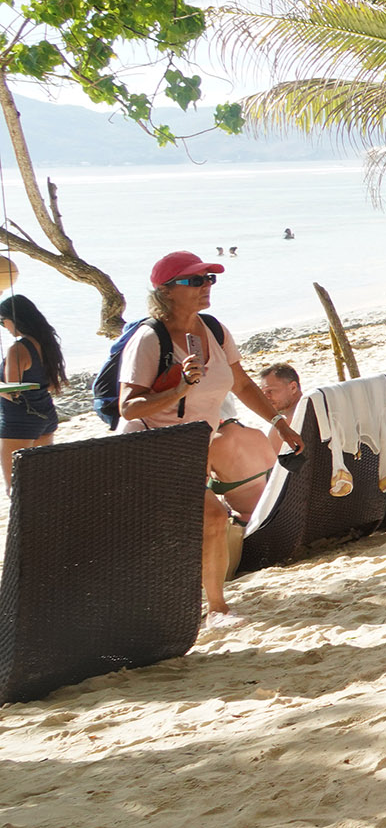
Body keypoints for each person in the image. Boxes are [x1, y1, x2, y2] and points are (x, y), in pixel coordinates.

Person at [120, 253, 298, 621]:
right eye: (194, 281)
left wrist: (279, 423)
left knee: (210, 520)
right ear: (166, 291)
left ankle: (210, 606)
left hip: (193, 446)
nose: (205, 286)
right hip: (150, 445)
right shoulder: (148, 339)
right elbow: (128, 406)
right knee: (213, 516)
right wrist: (179, 389)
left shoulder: (214, 330)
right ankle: (212, 607)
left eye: (209, 279)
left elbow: (243, 384)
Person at [208, 364, 303, 523]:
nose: (265, 397)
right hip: (281, 514)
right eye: (263, 392)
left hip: (251, 523)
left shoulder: (212, 446)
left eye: (270, 391)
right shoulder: (258, 434)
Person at [0, 293, 65, 481]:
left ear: (14, 319)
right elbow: (51, 385)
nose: (4, 327)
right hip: (47, 416)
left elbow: (13, 393)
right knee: (40, 484)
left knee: (14, 487)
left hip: (19, 422)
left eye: (3, 321)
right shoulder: (46, 343)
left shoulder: (18, 349)